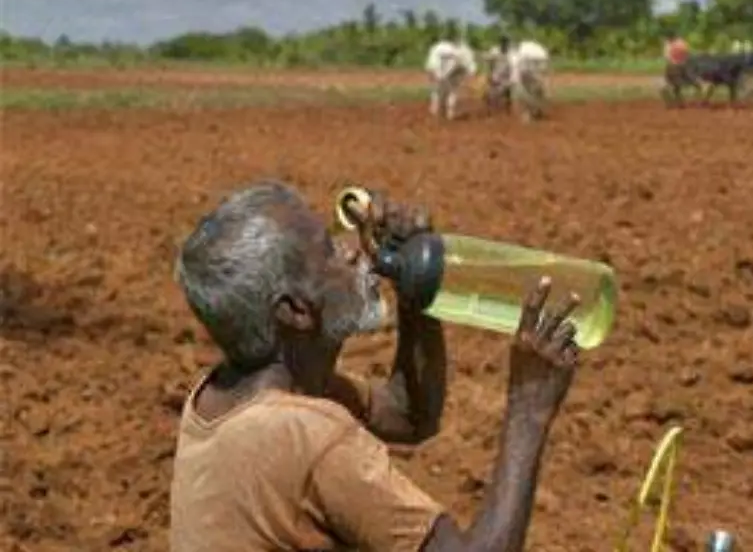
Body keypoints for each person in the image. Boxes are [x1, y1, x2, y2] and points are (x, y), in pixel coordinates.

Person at [169, 180, 583, 552]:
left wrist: (414, 285)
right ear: (296, 311)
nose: (353, 249)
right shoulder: (307, 437)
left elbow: (408, 414)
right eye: (329, 251)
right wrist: (529, 409)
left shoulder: (223, 394)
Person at [425, 38, 477, 120]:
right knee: (440, 93)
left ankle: (448, 112)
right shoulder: (441, 48)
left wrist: (469, 73)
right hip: (442, 73)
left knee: (450, 92)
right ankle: (439, 111)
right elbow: (433, 64)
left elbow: (469, 65)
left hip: (450, 74)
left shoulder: (464, 50)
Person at [661, 32, 693, 106]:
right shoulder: (682, 42)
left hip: (673, 66)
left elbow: (667, 57)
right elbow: (687, 53)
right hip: (684, 65)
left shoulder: (667, 45)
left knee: (666, 86)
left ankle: (671, 103)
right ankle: (679, 101)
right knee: (677, 86)